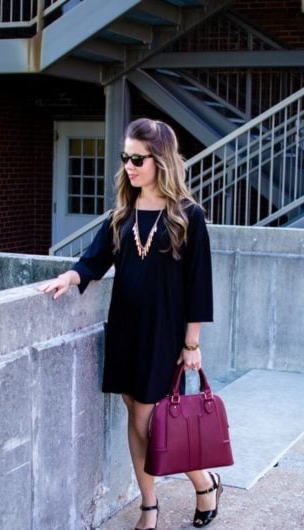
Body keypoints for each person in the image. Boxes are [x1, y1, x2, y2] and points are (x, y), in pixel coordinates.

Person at [39, 118, 221, 530]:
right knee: (134, 413)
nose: (128, 166)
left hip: (164, 334)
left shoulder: (188, 216)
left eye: (137, 158)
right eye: (125, 157)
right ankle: (162, 499)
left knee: (150, 419)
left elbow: (200, 285)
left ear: (160, 161)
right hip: (125, 329)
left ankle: (187, 489)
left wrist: (191, 344)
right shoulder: (122, 214)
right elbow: (94, 260)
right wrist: (70, 278)